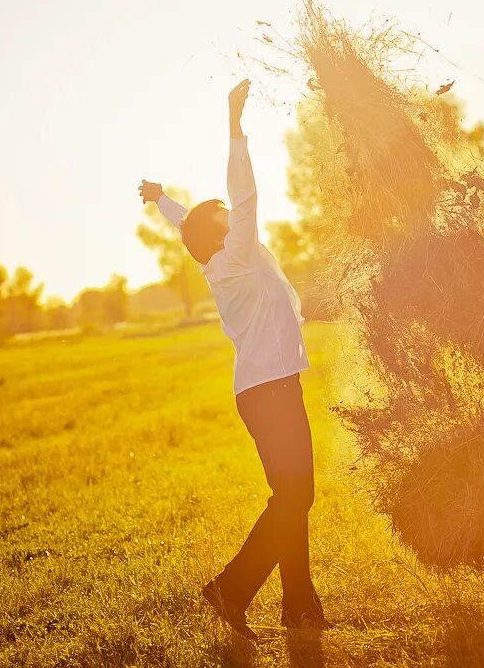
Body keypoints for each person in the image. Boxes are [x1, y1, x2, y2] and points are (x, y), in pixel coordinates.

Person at [138, 79, 328, 640]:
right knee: (297, 497)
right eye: (221, 215)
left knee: (291, 498)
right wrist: (233, 124)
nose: (229, 214)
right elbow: (243, 195)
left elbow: (185, 225)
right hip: (270, 392)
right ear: (220, 232)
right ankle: (230, 590)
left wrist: (161, 197)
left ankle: (299, 606)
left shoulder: (218, 258)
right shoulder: (237, 255)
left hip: (266, 390)